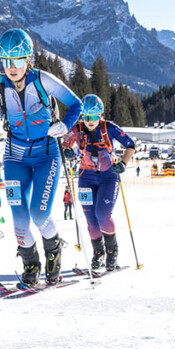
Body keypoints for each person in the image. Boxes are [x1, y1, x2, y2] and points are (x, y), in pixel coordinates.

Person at [0, 29, 81, 286]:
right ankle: (31, 264)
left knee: (39, 214)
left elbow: (76, 105)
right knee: (19, 219)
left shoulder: (44, 80)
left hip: (47, 155)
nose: (12, 68)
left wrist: (65, 125)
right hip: (15, 158)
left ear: (28, 59)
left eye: (18, 61)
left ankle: (54, 252)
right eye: (7, 62)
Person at [61, 94, 136, 273]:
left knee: (102, 215)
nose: (90, 121)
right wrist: (67, 151)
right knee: (91, 221)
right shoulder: (76, 129)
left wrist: (123, 164)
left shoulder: (108, 128)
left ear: (100, 115)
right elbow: (64, 144)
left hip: (108, 177)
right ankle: (98, 253)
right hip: (86, 177)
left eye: (94, 117)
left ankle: (111, 251)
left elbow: (131, 144)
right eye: (86, 117)